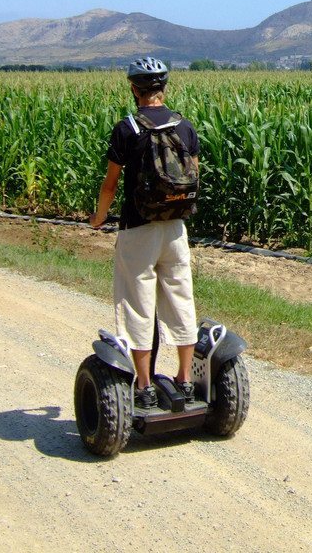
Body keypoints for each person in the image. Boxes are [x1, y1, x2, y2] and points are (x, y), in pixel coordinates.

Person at [89, 56, 200, 408]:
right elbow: (194, 177)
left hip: (138, 230)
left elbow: (110, 185)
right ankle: (184, 380)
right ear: (164, 89)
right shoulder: (185, 127)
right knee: (181, 299)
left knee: (137, 306)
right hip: (175, 230)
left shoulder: (127, 129)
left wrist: (98, 218)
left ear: (134, 90)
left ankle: (145, 385)